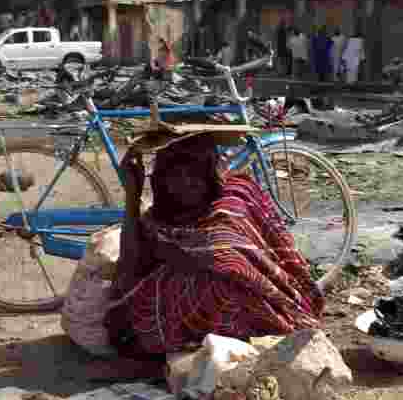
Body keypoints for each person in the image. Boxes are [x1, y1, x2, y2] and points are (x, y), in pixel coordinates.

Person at [103, 133, 325, 367]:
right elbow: (130, 267)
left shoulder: (233, 200)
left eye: (194, 173)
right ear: (161, 179)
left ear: (210, 173)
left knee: (218, 285)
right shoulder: (163, 216)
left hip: (260, 303)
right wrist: (132, 196)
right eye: (174, 174)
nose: (184, 182)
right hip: (185, 319)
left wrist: (184, 257)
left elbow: (230, 263)